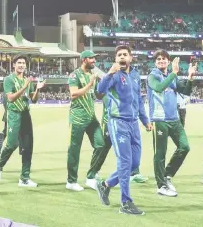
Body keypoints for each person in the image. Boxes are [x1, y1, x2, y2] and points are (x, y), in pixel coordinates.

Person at [95, 45, 152, 215]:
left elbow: (139, 101)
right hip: (118, 122)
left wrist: (145, 120)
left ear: (130, 58)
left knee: (134, 164)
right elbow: (100, 91)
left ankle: (105, 185)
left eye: (124, 54)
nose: (122, 57)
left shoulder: (135, 75)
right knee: (125, 162)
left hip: (134, 123)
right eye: (119, 55)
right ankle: (125, 202)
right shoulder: (113, 75)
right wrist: (109, 73)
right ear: (116, 58)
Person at [146, 50, 195, 197]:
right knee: (160, 154)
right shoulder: (152, 76)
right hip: (159, 120)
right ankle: (161, 186)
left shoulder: (171, 77)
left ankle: (167, 175)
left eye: (164, 59)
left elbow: (186, 91)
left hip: (174, 119)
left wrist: (190, 78)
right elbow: (159, 87)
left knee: (184, 147)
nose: (161, 61)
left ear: (168, 61)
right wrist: (174, 73)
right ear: (155, 62)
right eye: (159, 59)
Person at [0, 55, 45, 188]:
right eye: (19, 63)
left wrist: (37, 88)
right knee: (12, 144)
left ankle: (24, 178)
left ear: (26, 66)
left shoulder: (28, 80)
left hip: (26, 114)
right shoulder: (9, 79)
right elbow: (10, 98)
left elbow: (33, 99)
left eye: (23, 63)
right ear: (14, 65)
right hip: (14, 114)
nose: (21, 65)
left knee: (28, 147)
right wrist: (24, 87)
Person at [66, 50, 107, 192]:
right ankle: (71, 181)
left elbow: (98, 96)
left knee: (101, 145)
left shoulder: (91, 75)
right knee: (74, 150)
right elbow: (73, 94)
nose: (94, 61)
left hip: (91, 117)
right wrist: (90, 84)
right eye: (91, 59)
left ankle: (91, 176)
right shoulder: (74, 75)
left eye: (94, 59)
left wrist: (104, 85)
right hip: (78, 118)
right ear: (84, 60)